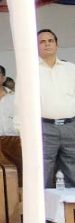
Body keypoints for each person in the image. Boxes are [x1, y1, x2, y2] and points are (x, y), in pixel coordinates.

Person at [38, 29, 75, 187]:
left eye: (50, 41)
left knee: (73, 172)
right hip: (44, 128)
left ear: (57, 44)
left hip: (70, 127)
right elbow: (21, 102)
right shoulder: (30, 70)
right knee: (42, 175)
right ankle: (44, 212)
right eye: (42, 42)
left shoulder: (70, 69)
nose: (47, 44)